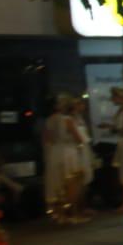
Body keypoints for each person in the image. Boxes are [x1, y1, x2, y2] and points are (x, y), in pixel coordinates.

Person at [41, 95, 93, 224]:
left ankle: (60, 215)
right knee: (72, 184)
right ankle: (74, 214)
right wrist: (83, 151)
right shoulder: (67, 120)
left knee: (57, 183)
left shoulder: (49, 120)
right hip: (69, 153)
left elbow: (47, 140)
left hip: (55, 153)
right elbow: (79, 139)